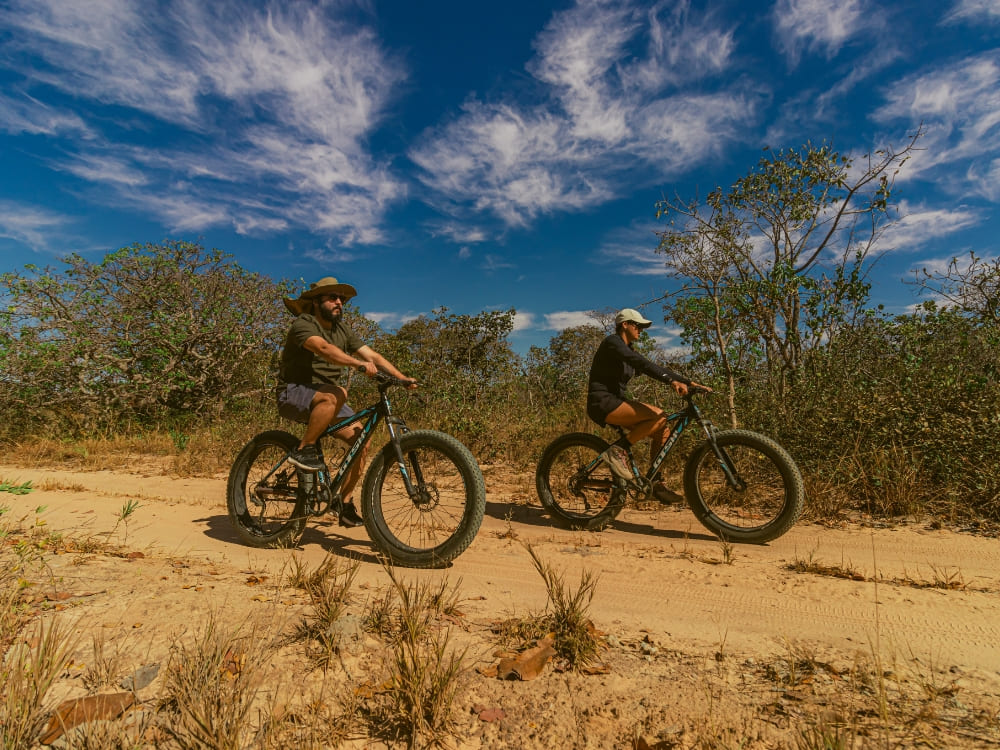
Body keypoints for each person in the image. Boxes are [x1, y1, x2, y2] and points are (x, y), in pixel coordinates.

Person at [276, 276, 416, 527]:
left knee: (362, 441)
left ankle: (344, 502)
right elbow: (323, 349)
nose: (339, 302)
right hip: (295, 391)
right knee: (337, 393)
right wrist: (358, 364)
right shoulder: (304, 323)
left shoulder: (342, 331)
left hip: (326, 396)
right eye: (332, 297)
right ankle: (304, 450)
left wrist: (402, 378)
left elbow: (371, 354)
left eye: (341, 298)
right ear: (317, 302)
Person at [587, 308, 710, 501]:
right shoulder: (613, 343)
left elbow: (653, 367)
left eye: (642, 327)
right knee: (658, 415)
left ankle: (656, 483)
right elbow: (642, 363)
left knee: (663, 429)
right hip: (602, 401)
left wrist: (688, 382)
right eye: (638, 325)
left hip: (618, 402)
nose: (641, 330)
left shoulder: (629, 351)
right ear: (624, 324)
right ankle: (617, 452)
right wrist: (672, 382)